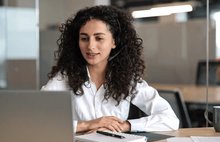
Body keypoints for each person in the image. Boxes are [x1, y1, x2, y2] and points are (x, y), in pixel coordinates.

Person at [41, 5, 179, 133]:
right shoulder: (65, 77)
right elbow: (37, 116)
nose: (90, 46)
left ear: (114, 42)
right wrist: (87, 125)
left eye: (99, 38)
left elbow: (170, 120)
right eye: (84, 38)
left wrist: (125, 126)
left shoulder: (127, 80)